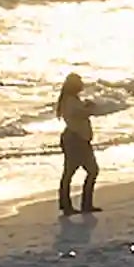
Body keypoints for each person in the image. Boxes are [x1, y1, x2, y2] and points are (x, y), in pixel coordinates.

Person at [57, 73, 100, 215]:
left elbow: (79, 113)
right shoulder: (69, 101)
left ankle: (73, 205)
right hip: (76, 140)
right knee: (87, 171)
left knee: (72, 172)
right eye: (79, 82)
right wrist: (89, 108)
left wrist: (86, 107)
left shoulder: (71, 100)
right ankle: (77, 205)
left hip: (77, 138)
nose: (82, 85)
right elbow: (78, 114)